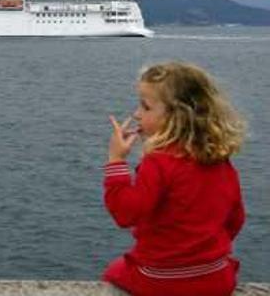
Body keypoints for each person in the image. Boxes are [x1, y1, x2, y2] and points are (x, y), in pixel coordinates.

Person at [102, 62, 246, 296]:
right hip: (216, 278)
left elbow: (125, 213)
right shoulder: (220, 161)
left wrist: (116, 161)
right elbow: (235, 219)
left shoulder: (158, 162)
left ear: (176, 117)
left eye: (145, 107)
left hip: (160, 281)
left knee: (115, 274)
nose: (137, 114)